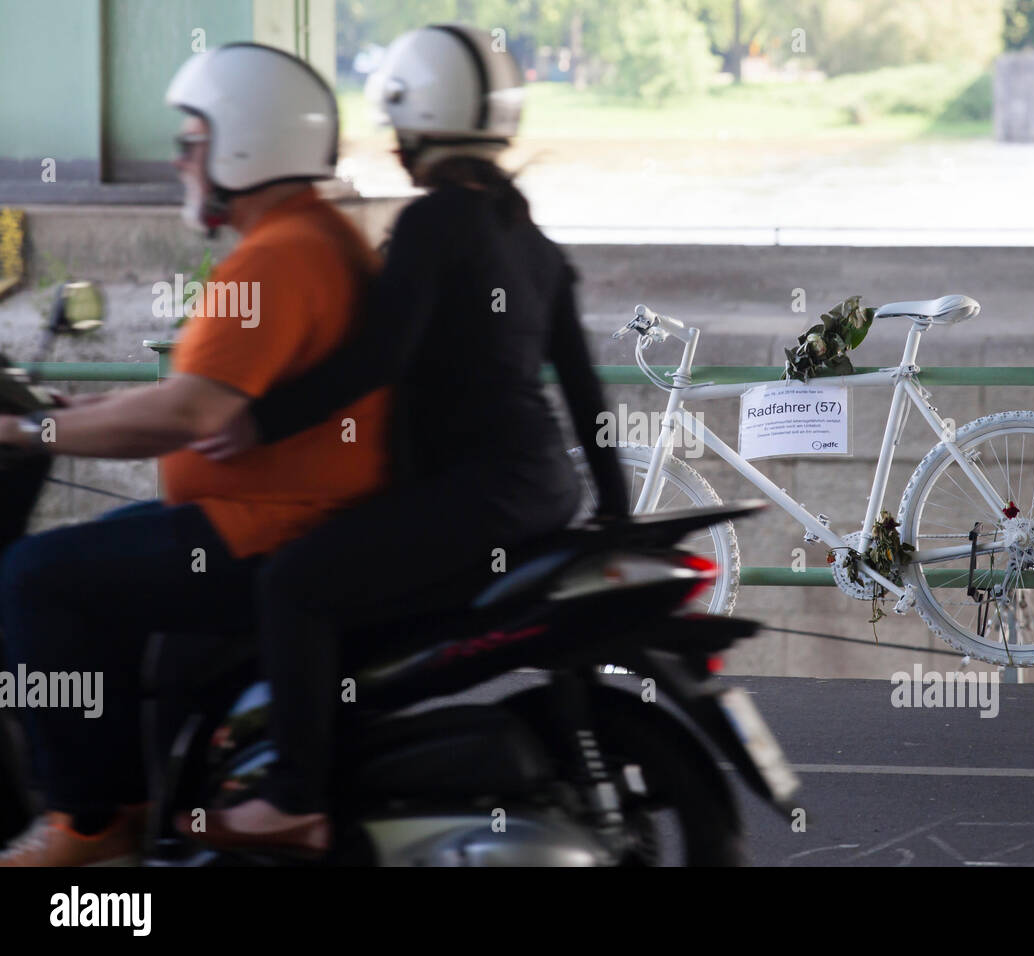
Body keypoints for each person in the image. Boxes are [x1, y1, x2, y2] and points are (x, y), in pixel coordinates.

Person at [180, 24, 630, 856]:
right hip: (542, 491)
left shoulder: (433, 222)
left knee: (294, 586)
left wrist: (255, 421)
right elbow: (584, 387)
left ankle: (295, 796)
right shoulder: (532, 240)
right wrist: (616, 508)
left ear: (412, 122)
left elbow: (378, 355)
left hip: (476, 497)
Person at [0, 44, 389, 866]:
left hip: (260, 529)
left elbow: (188, 411)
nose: (179, 160)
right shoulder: (313, 236)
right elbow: (210, 392)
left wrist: (24, 433)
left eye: (191, 141)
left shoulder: (279, 257)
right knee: (86, 571)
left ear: (245, 143)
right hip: (269, 515)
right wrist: (87, 408)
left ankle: (91, 826)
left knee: (37, 577)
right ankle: (145, 791)